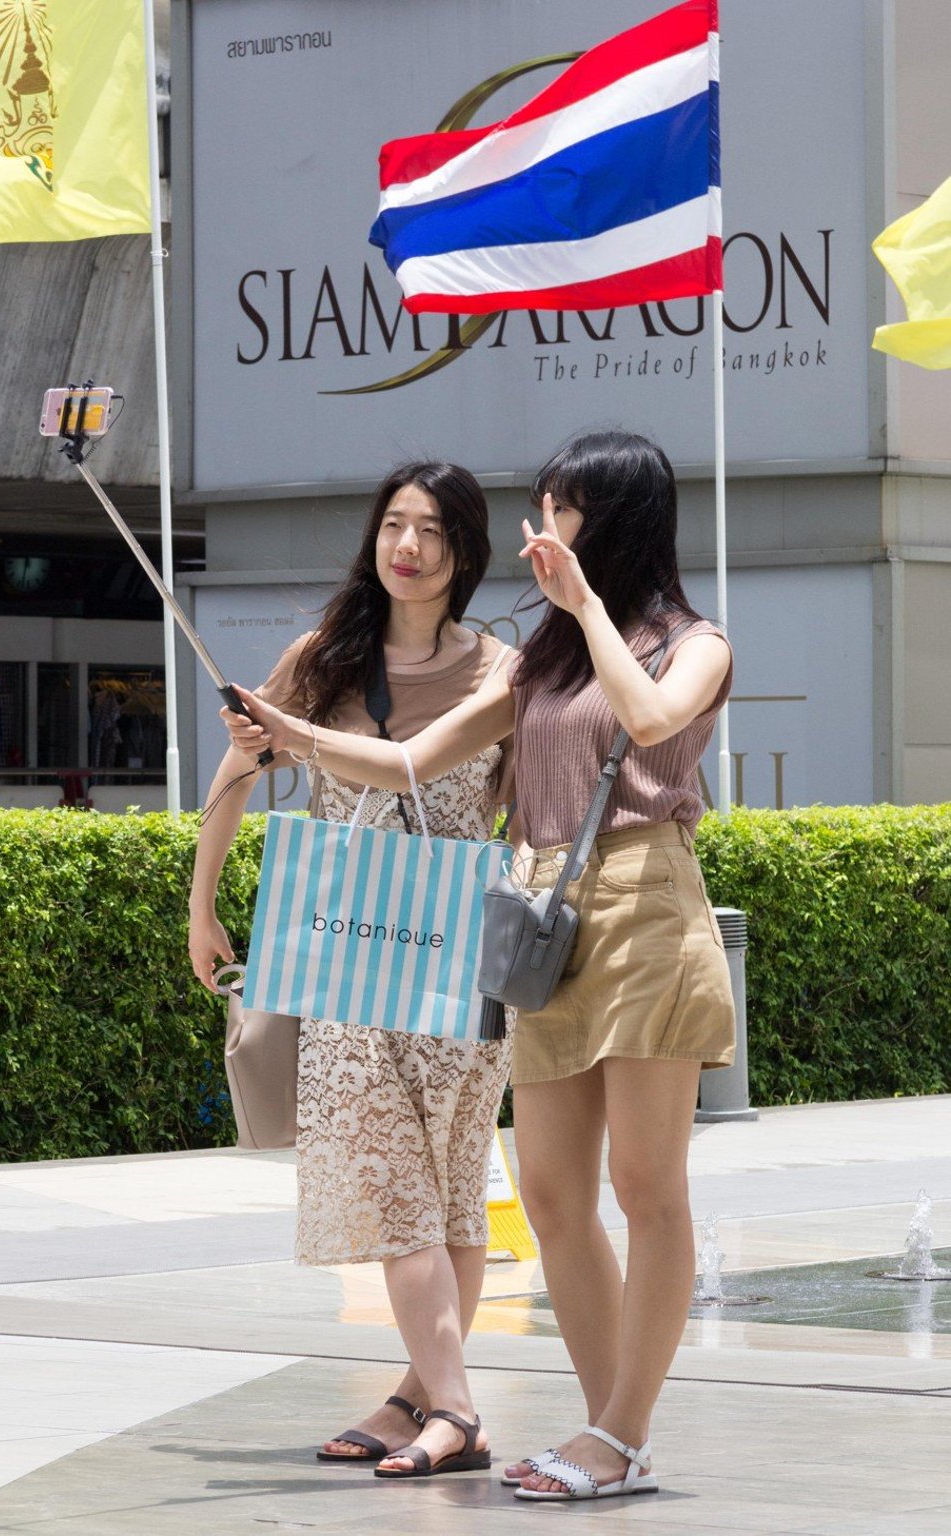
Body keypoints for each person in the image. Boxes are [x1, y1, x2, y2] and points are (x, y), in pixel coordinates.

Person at [221, 429, 736, 1502]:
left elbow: (648, 720)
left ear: (615, 520)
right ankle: (606, 1431)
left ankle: (621, 1434)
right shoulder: (543, 660)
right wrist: (289, 734)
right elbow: (412, 759)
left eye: (562, 509)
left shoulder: (693, 644)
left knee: (647, 1188)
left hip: (646, 906)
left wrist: (584, 607)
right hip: (542, 919)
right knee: (549, 1195)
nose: (543, 529)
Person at [189, 461, 514, 1480]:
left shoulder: (502, 672)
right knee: (392, 1184)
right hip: (346, 963)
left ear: (465, 552)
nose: (407, 547)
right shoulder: (324, 658)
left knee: (452, 1192)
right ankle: (454, 1409)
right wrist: (202, 902)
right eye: (394, 525)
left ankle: (417, 1400)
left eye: (433, 530)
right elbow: (237, 771)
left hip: (457, 965)